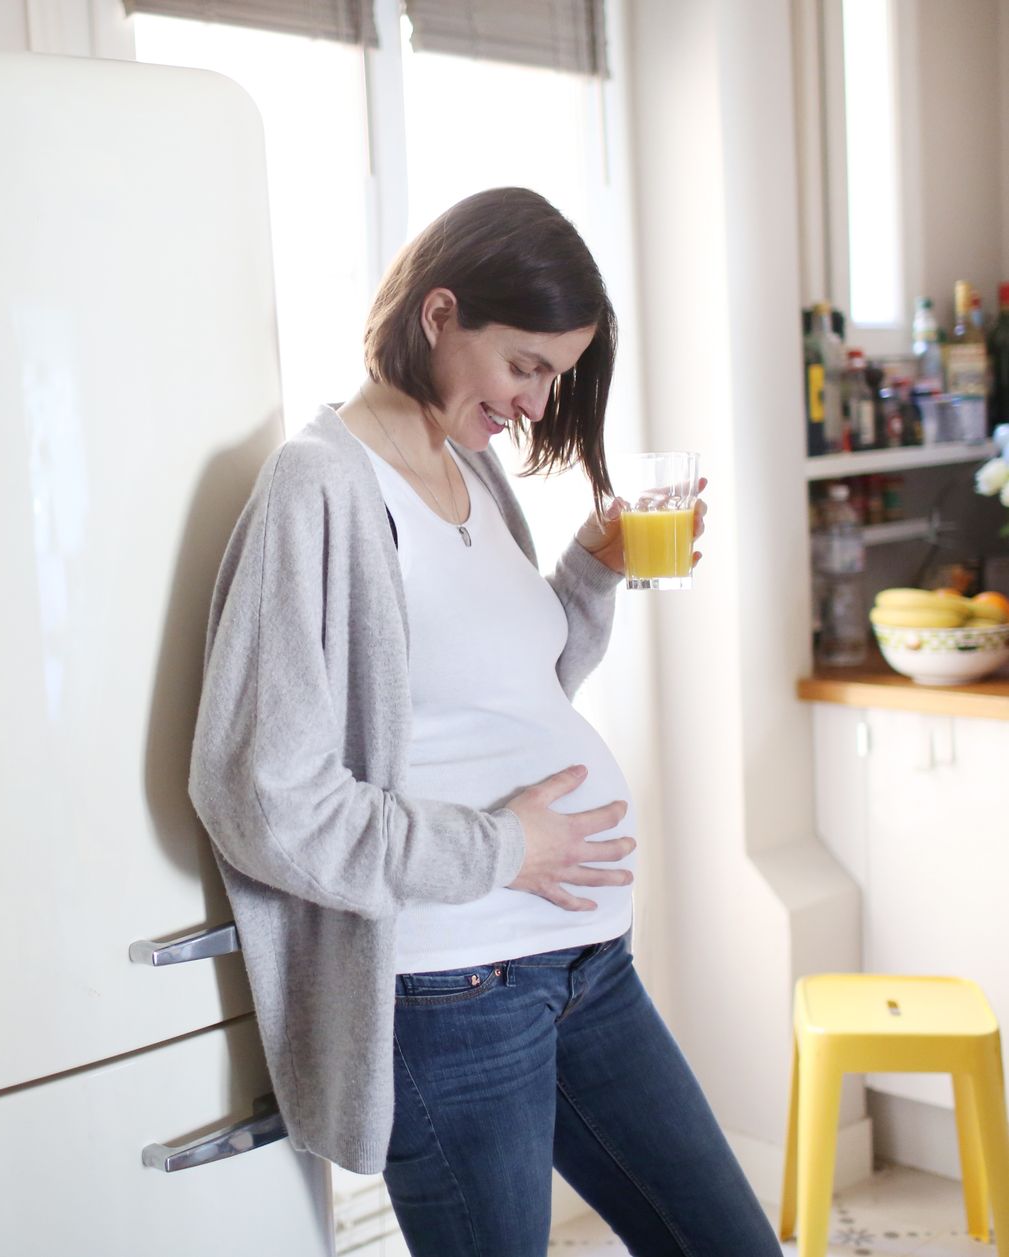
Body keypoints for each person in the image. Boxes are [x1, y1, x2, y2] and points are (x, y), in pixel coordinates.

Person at [188, 187, 780, 1256]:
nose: (541, 405)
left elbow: (518, 687)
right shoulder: (317, 490)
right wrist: (506, 845)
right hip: (452, 992)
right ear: (440, 313)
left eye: (556, 376)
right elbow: (259, 797)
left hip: (588, 967)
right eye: (528, 366)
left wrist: (591, 576)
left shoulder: (469, 466)